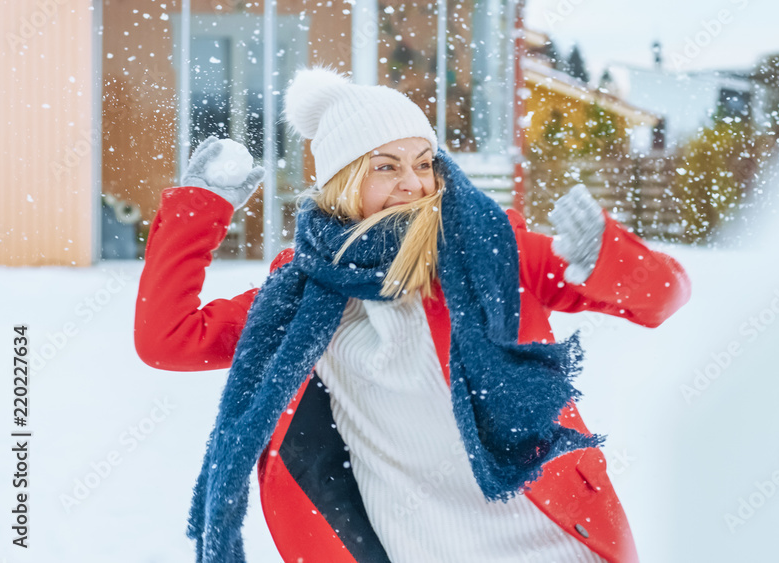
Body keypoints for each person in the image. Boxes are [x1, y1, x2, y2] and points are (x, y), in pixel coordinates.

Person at [134, 66, 691, 563]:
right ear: (342, 181)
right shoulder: (299, 296)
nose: (413, 183)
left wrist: (606, 257)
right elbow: (168, 338)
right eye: (386, 166)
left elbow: (664, 297)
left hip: (552, 539)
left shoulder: (490, 253)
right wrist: (200, 206)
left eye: (424, 163)